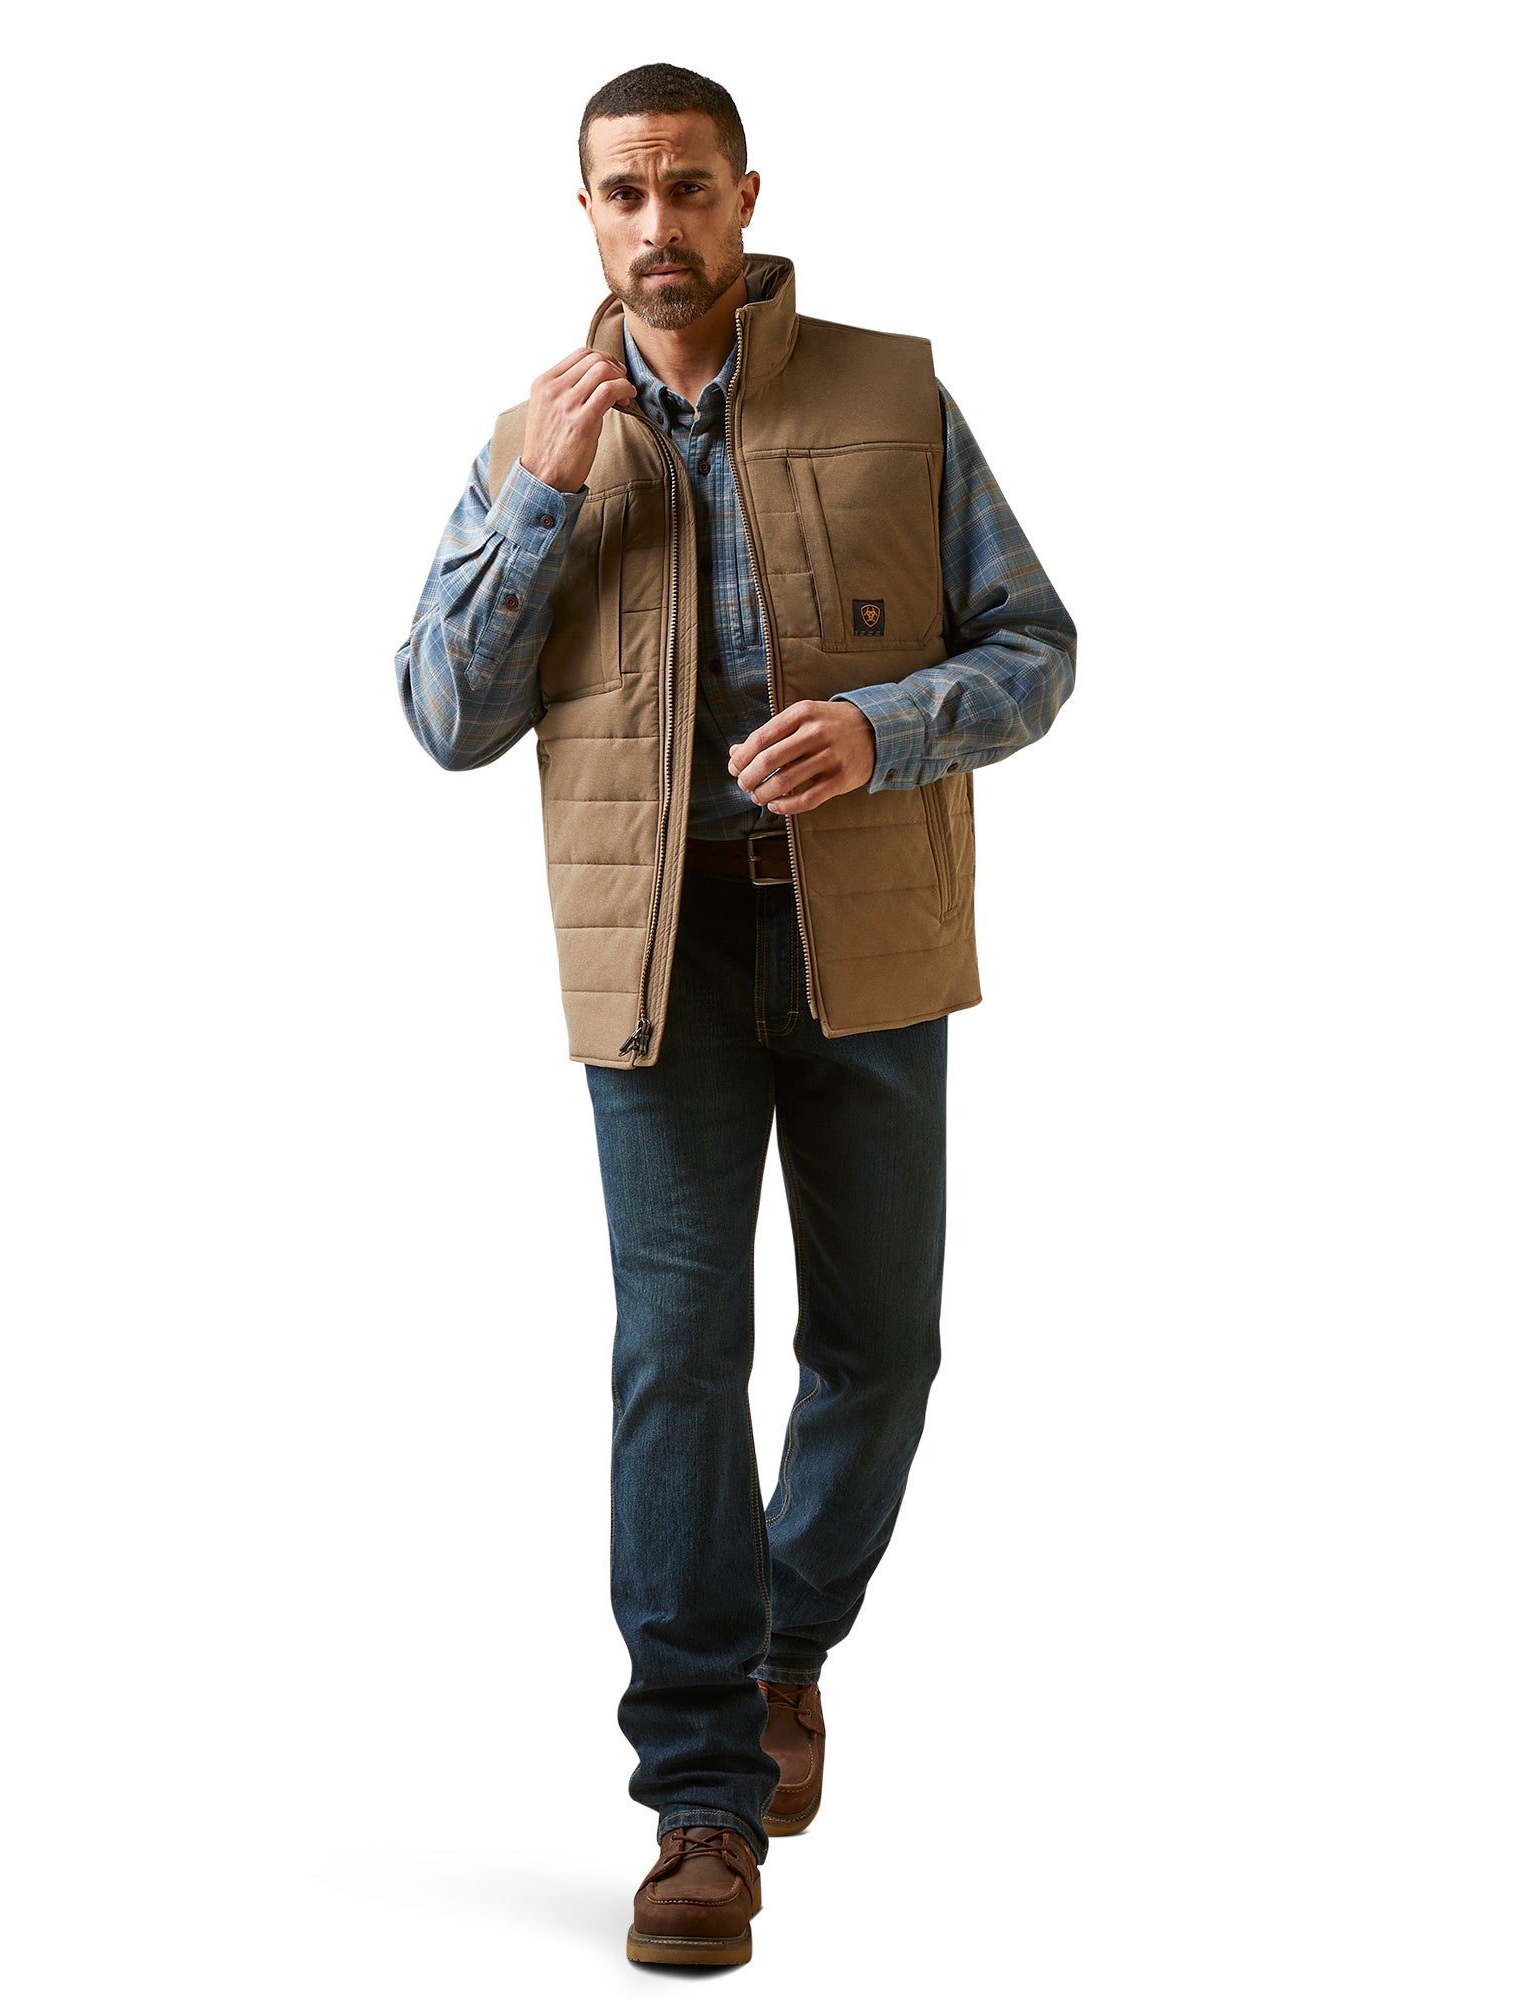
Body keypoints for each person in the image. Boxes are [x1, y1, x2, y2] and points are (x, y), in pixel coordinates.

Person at [393, 62, 1076, 1968]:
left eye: (687, 186)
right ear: (585, 215)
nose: (659, 224)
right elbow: (444, 715)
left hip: (871, 944)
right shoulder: (536, 440)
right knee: (677, 1364)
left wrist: (884, 727)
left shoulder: (891, 395)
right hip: (661, 965)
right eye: (623, 193)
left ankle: (788, 1644)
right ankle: (699, 1799)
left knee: (883, 1349)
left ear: (747, 196)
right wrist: (543, 497)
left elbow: (1037, 647)